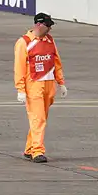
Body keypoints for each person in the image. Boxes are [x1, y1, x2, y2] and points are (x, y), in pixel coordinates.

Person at [14, 13, 67, 163]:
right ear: (39, 25)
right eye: (47, 26)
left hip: (49, 85)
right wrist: (21, 89)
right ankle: (38, 151)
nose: (50, 29)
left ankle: (29, 148)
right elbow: (19, 68)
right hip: (34, 84)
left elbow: (56, 61)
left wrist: (60, 82)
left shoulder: (50, 40)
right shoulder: (24, 42)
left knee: (41, 118)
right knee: (38, 118)